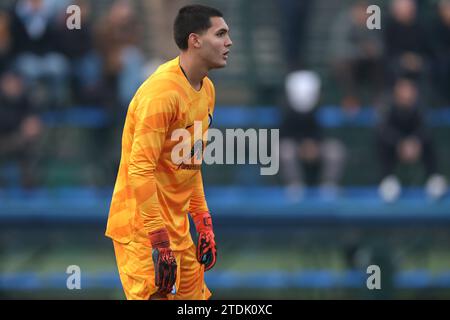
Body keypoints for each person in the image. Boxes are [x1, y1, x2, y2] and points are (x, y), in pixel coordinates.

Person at [105, 5, 232, 300]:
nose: (229, 42)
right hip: (142, 232)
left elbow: (190, 163)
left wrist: (202, 221)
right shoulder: (161, 94)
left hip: (177, 230)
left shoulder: (207, 90)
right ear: (194, 40)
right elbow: (140, 169)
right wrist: (158, 241)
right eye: (221, 33)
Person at [376, 78, 447, 202]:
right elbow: (383, 129)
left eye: (409, 90)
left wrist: (415, 142)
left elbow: (426, 127)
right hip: (395, 145)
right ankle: (387, 180)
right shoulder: (387, 106)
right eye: (403, 90)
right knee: (382, 143)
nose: (406, 94)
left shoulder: (421, 105)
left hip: (416, 145)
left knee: (429, 142)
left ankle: (434, 178)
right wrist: (400, 143)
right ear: (396, 92)